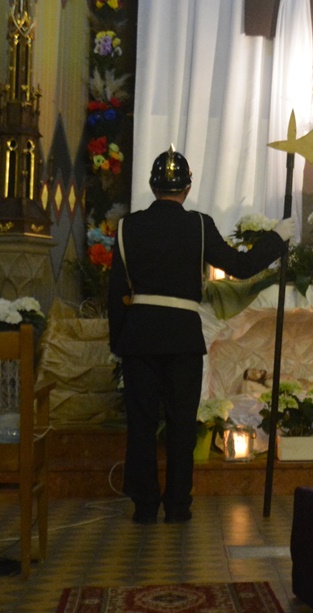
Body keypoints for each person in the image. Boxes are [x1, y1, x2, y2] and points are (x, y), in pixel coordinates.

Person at [108, 147, 293, 524]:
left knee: (141, 425)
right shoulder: (198, 225)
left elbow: (114, 292)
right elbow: (241, 267)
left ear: (153, 186)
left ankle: (145, 506)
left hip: (140, 335)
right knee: (181, 425)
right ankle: (178, 506)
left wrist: (119, 342)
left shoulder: (128, 227)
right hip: (182, 335)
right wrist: (276, 238)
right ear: (187, 188)